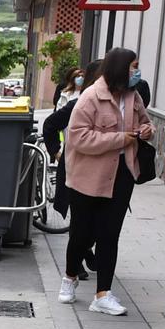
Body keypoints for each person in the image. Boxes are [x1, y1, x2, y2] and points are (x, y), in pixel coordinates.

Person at [61, 47, 152, 316]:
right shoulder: (90, 97)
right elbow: (78, 138)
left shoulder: (133, 96)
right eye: (133, 66)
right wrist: (121, 139)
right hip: (88, 176)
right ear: (120, 68)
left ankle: (102, 294)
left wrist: (146, 131)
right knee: (81, 234)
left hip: (122, 174)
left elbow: (146, 124)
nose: (137, 71)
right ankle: (69, 277)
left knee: (109, 235)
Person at [41, 61, 101, 223]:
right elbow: (50, 125)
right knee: (82, 226)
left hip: (104, 177)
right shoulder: (79, 103)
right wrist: (56, 151)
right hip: (79, 168)